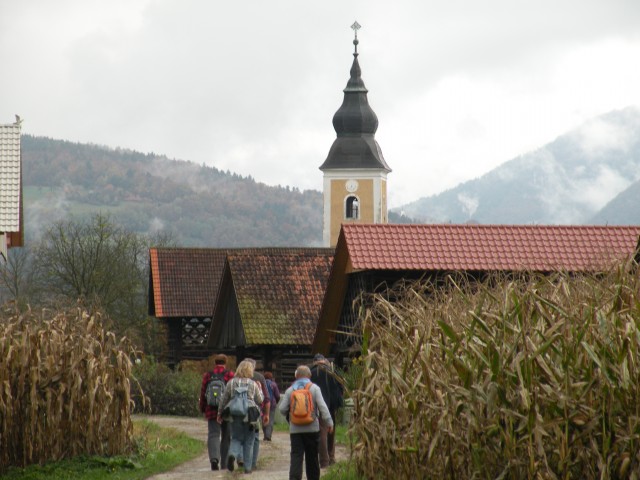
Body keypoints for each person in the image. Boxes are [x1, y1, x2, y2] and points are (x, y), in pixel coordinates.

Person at [279, 364, 334, 480]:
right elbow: (323, 407)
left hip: (295, 430)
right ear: (309, 376)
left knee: (296, 456)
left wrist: (292, 415)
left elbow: (282, 409)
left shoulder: (290, 390)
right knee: (312, 456)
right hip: (312, 428)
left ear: (296, 375)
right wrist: (329, 422)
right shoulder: (314, 388)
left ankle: (294, 478)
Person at [218, 359, 264, 474]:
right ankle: (248, 468)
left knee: (236, 438)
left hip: (235, 413)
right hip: (250, 415)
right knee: (249, 440)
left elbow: (224, 399)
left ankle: (232, 455)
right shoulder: (253, 384)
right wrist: (260, 389)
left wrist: (220, 413)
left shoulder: (231, 383)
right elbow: (260, 400)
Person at [198, 353, 234, 471]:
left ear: (215, 363)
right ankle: (224, 463)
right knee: (226, 436)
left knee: (213, 434)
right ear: (225, 363)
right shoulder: (229, 375)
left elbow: (203, 393)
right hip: (227, 410)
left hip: (211, 409)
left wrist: (203, 407)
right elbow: (233, 393)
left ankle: (214, 459)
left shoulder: (208, 375)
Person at [310, 353, 344, 468]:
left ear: (315, 361)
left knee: (322, 432)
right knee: (331, 431)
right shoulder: (332, 372)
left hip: (318, 406)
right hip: (332, 405)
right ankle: (332, 457)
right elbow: (341, 387)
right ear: (324, 361)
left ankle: (324, 461)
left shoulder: (312, 373)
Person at [242, 357, 270, 472]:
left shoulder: (237, 376)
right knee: (255, 437)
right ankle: (252, 463)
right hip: (255, 412)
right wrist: (266, 414)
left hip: (238, 410)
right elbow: (265, 398)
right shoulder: (259, 377)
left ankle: (242, 459)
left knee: (240, 436)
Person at [262, 371, 281, 441]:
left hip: (263, 403)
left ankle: (265, 434)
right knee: (270, 420)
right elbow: (278, 395)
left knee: (263, 418)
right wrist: (276, 402)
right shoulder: (274, 384)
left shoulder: (262, 384)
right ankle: (268, 435)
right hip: (272, 404)